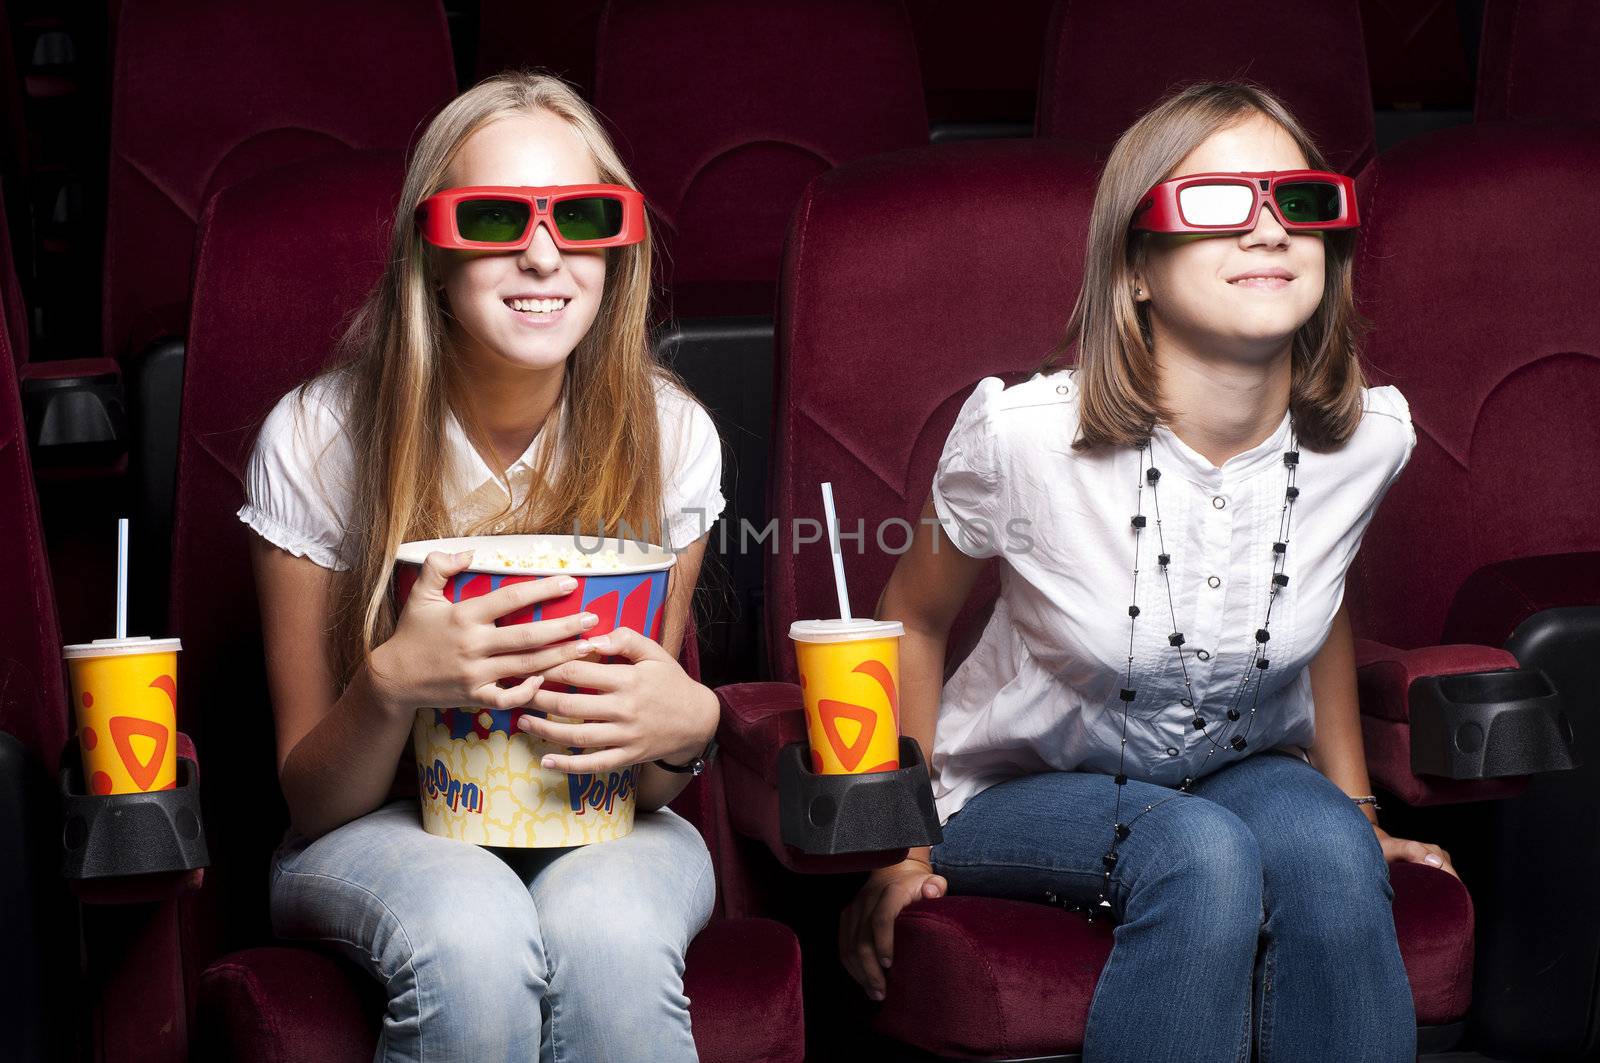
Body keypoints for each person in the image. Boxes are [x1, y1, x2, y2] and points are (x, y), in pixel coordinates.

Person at [840, 82, 1453, 1062]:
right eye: (1216, 201)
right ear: (1134, 268)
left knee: (1333, 857)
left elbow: (1319, 600)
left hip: (1239, 765)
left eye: (1297, 201)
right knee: (1197, 854)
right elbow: (909, 618)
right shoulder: (1022, 438)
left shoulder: (1367, 438)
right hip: (1020, 783)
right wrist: (899, 849)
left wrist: (1360, 810)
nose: (1267, 230)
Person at [240, 71, 723, 1062]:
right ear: (430, 244)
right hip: (378, 828)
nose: (544, 253)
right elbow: (310, 799)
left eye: (583, 215)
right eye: (496, 217)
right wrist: (389, 685)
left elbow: (641, 777)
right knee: (470, 934)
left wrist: (691, 730)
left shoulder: (671, 433)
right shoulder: (315, 435)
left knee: (617, 938)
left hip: (596, 816)